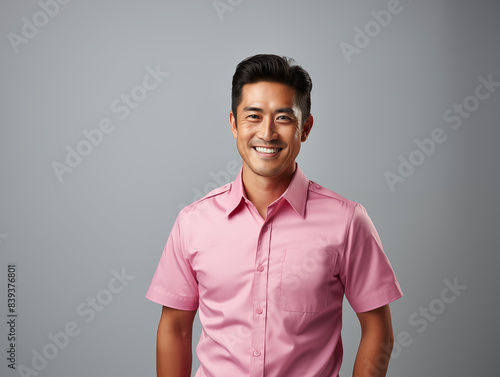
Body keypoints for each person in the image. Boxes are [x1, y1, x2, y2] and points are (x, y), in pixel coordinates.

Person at [146, 54, 403, 377]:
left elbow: (379, 330)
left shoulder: (348, 222)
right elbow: (175, 329)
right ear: (234, 124)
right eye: (253, 116)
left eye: (283, 118)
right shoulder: (193, 222)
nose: (267, 133)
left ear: (305, 128)